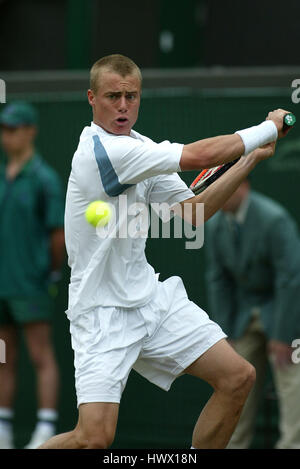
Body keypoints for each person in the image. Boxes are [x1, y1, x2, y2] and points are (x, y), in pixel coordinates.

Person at [38, 54, 291, 449]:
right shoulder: (102, 153)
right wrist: (266, 129)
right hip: (101, 313)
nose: (123, 106)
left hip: (151, 301)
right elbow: (202, 158)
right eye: (112, 96)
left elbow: (195, 212)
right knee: (93, 439)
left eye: (131, 96)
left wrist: (250, 159)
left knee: (238, 377)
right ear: (91, 98)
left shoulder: (141, 149)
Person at [205, 179, 300, 449]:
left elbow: (291, 280)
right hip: (244, 317)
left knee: (293, 382)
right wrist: (225, 333)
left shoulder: (274, 219)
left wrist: (284, 336)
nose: (218, 194)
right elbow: (218, 280)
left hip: (288, 317)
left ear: (242, 186)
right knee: (235, 381)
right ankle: (233, 444)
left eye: (225, 187)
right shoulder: (214, 225)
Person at [0, 102, 65, 449]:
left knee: (41, 356)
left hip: (32, 285)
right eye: (4, 130)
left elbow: (58, 237)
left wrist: (50, 273)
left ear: (30, 131)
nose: (7, 136)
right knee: (3, 357)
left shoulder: (44, 179)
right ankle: (3, 430)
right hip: (2, 287)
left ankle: (45, 428)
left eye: (14, 129)